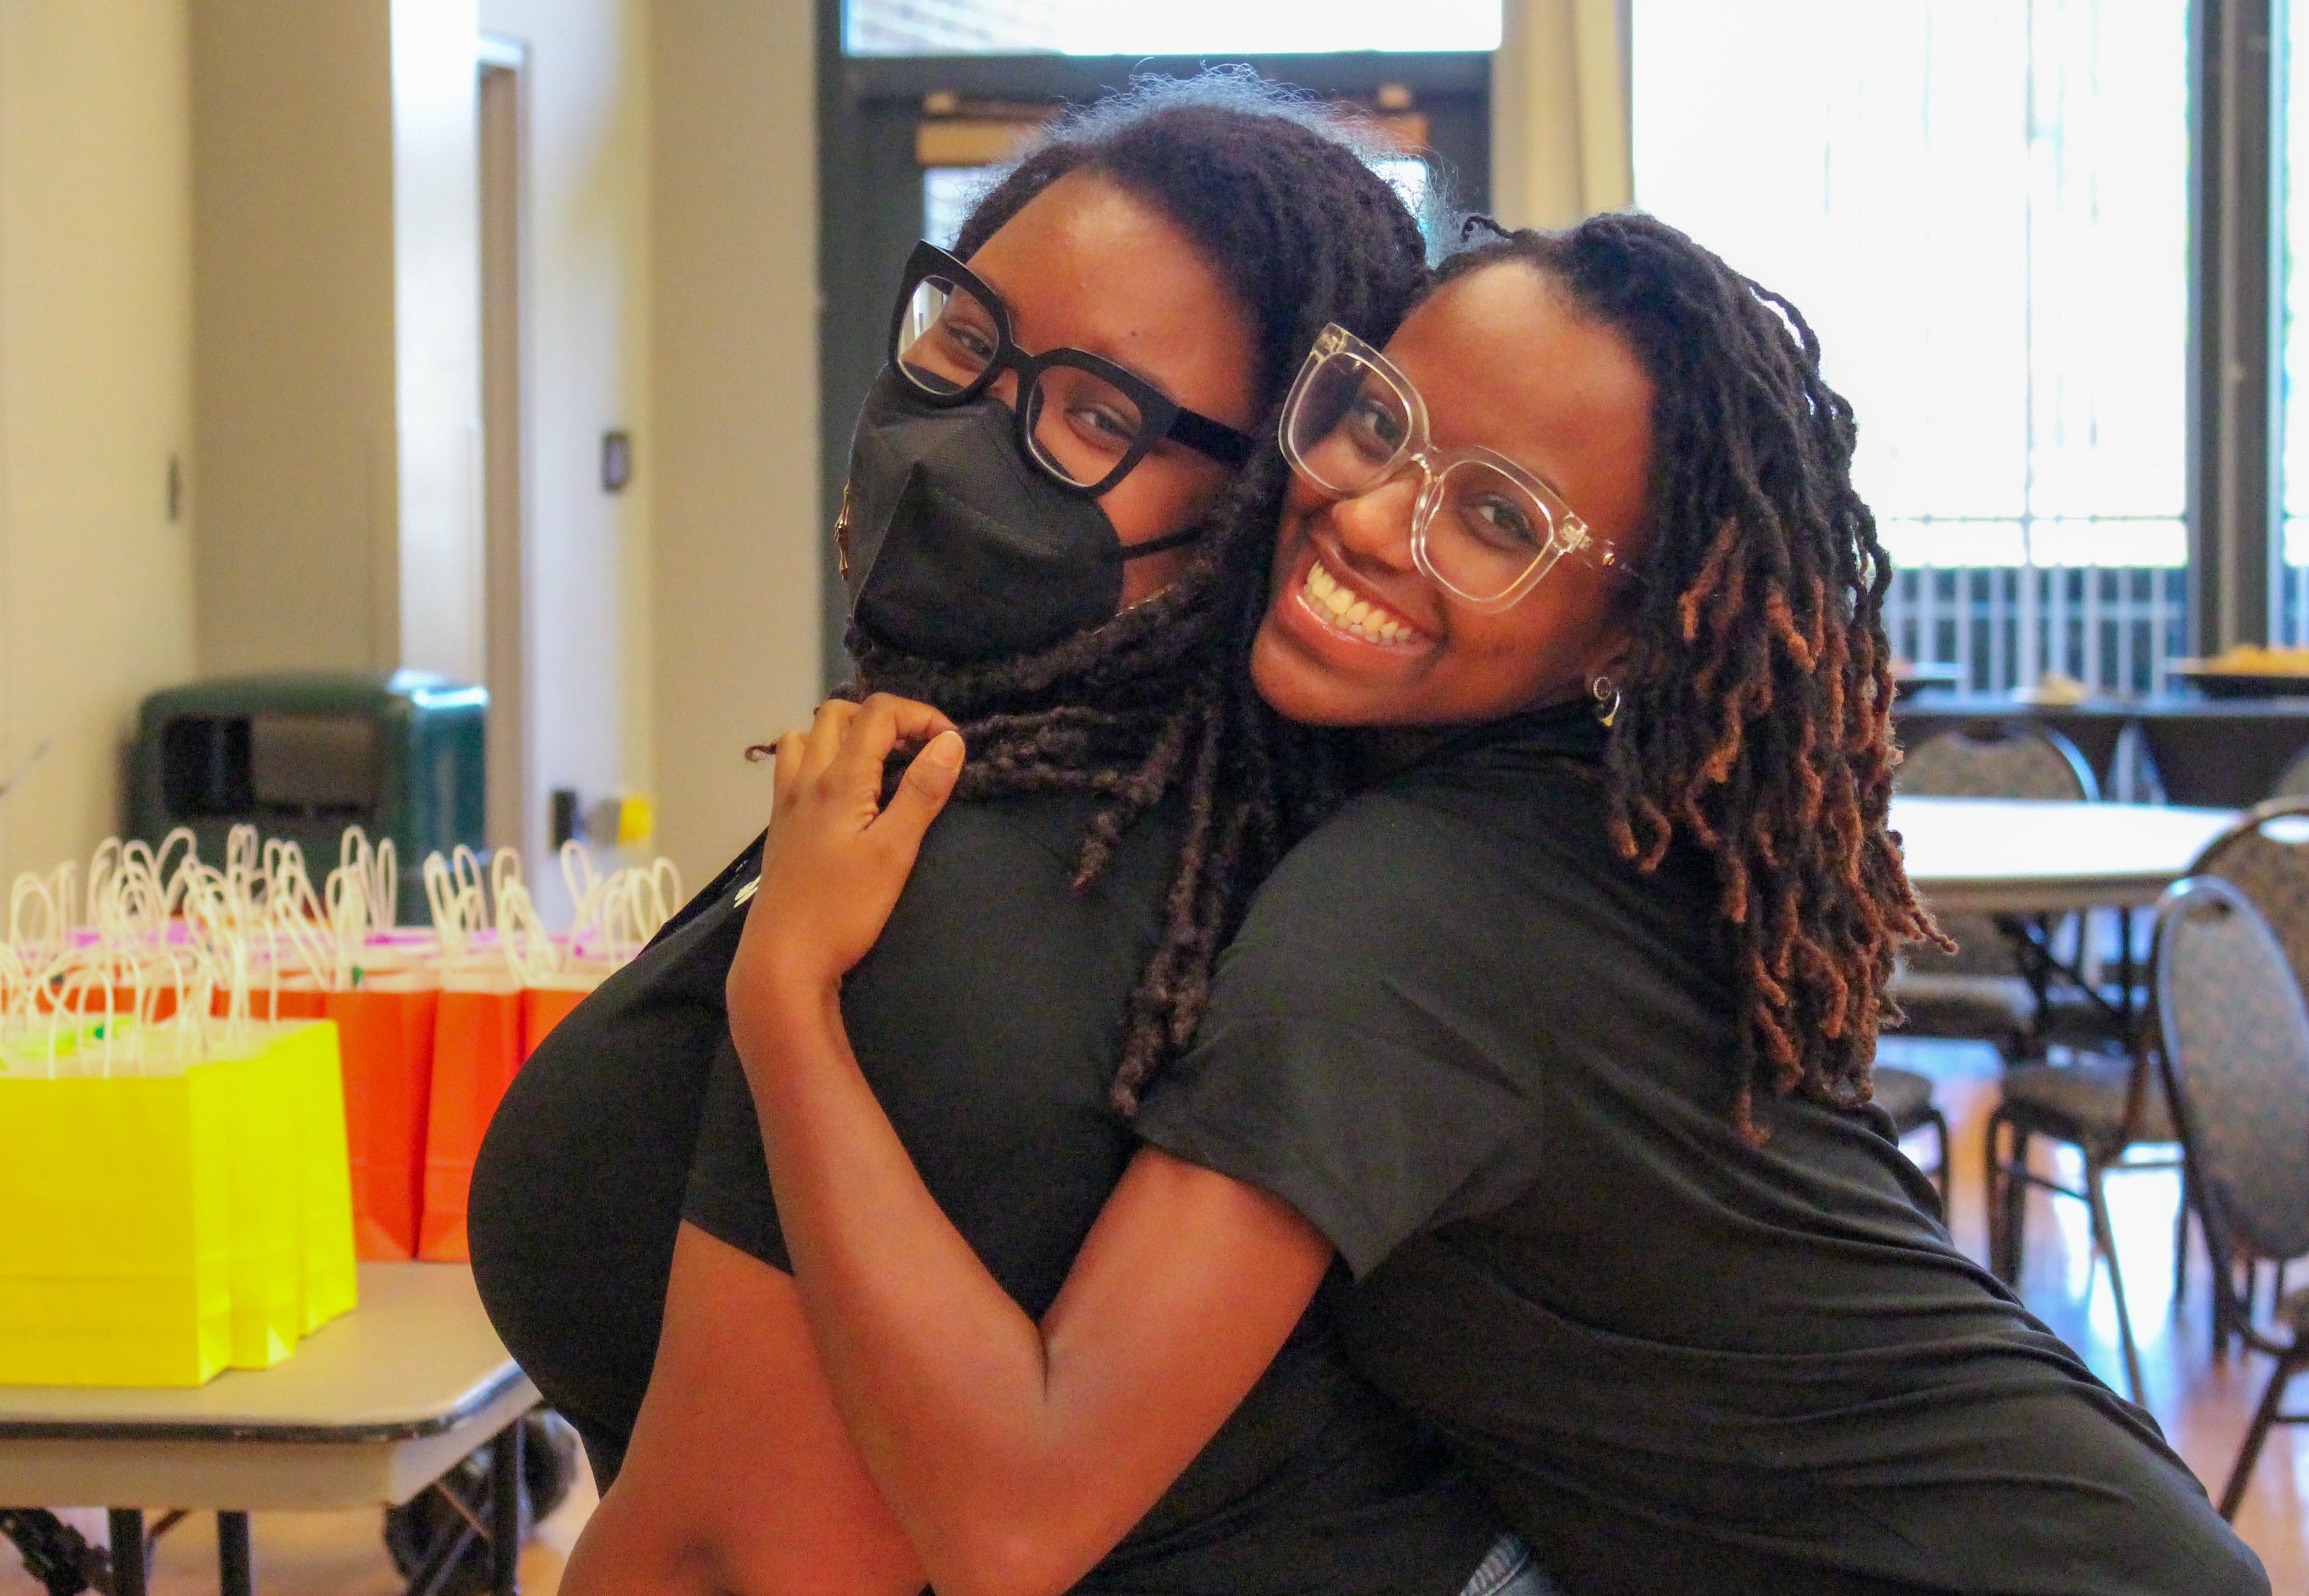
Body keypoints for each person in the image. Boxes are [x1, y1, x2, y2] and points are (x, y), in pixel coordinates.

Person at [727, 212, 2271, 1594]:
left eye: (1497, 522)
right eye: (1376, 423)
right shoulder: (1563, 834)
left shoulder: (1416, 919)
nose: (1370, 518)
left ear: (1626, 638)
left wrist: (784, 998)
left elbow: (1017, 1517)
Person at [470, 78, 1522, 1596]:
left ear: (1258, 513)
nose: (962, 436)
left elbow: (736, 1563)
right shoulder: (970, 804)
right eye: (965, 338)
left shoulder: (1000, 905)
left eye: (1097, 415)